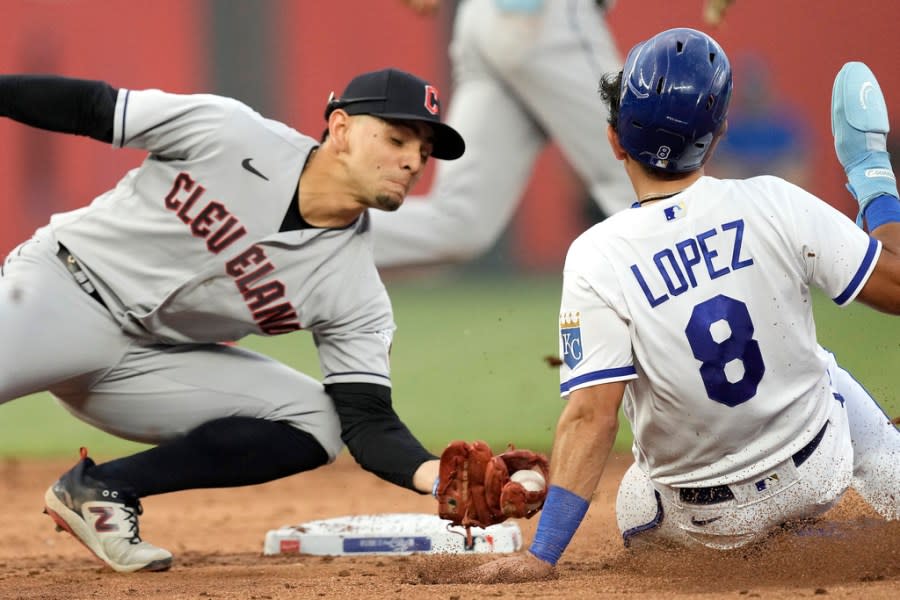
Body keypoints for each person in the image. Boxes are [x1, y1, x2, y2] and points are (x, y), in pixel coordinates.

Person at [455, 28, 900, 583]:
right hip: (816, 470)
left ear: (615, 140)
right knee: (826, 373)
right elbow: (895, 286)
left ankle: (788, 549)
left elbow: (592, 415)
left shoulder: (597, 255)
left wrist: (541, 554)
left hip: (701, 521)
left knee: (636, 504)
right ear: (718, 137)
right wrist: (871, 175)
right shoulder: (771, 201)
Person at [0, 67, 466, 573]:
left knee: (318, 421)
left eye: (423, 152)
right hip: (63, 291)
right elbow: (95, 106)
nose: (412, 161)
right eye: (398, 139)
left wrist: (441, 476)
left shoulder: (353, 289)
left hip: (140, 366)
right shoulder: (230, 132)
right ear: (340, 128)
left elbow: (367, 420)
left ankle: (99, 491)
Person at [371, 0, 634, 268]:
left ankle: (329, 234)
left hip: (485, 20)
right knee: (644, 171)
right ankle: (671, 302)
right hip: (546, 17)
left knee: (460, 222)